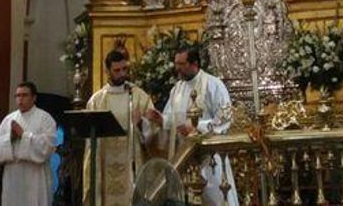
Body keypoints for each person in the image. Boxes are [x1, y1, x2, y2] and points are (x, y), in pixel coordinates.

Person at [152, 46, 238, 206]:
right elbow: (173, 118)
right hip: (184, 157)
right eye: (176, 63)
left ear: (194, 63)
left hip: (209, 157)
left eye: (181, 64)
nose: (177, 68)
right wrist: (162, 119)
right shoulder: (177, 89)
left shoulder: (214, 85)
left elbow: (225, 118)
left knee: (217, 199)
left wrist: (197, 127)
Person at [83, 50, 159, 206]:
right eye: (117, 70)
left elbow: (154, 133)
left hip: (130, 165)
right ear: (107, 71)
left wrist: (141, 123)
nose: (122, 74)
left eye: (125, 69)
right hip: (105, 165)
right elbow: (90, 144)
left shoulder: (138, 96)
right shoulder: (97, 100)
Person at [0, 81, 58, 206]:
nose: (20, 99)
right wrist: (10, 138)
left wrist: (24, 136)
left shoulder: (45, 118)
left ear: (34, 98)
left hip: (35, 175)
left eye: (24, 95)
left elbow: (48, 146)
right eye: (17, 96)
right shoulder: (9, 119)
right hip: (13, 175)